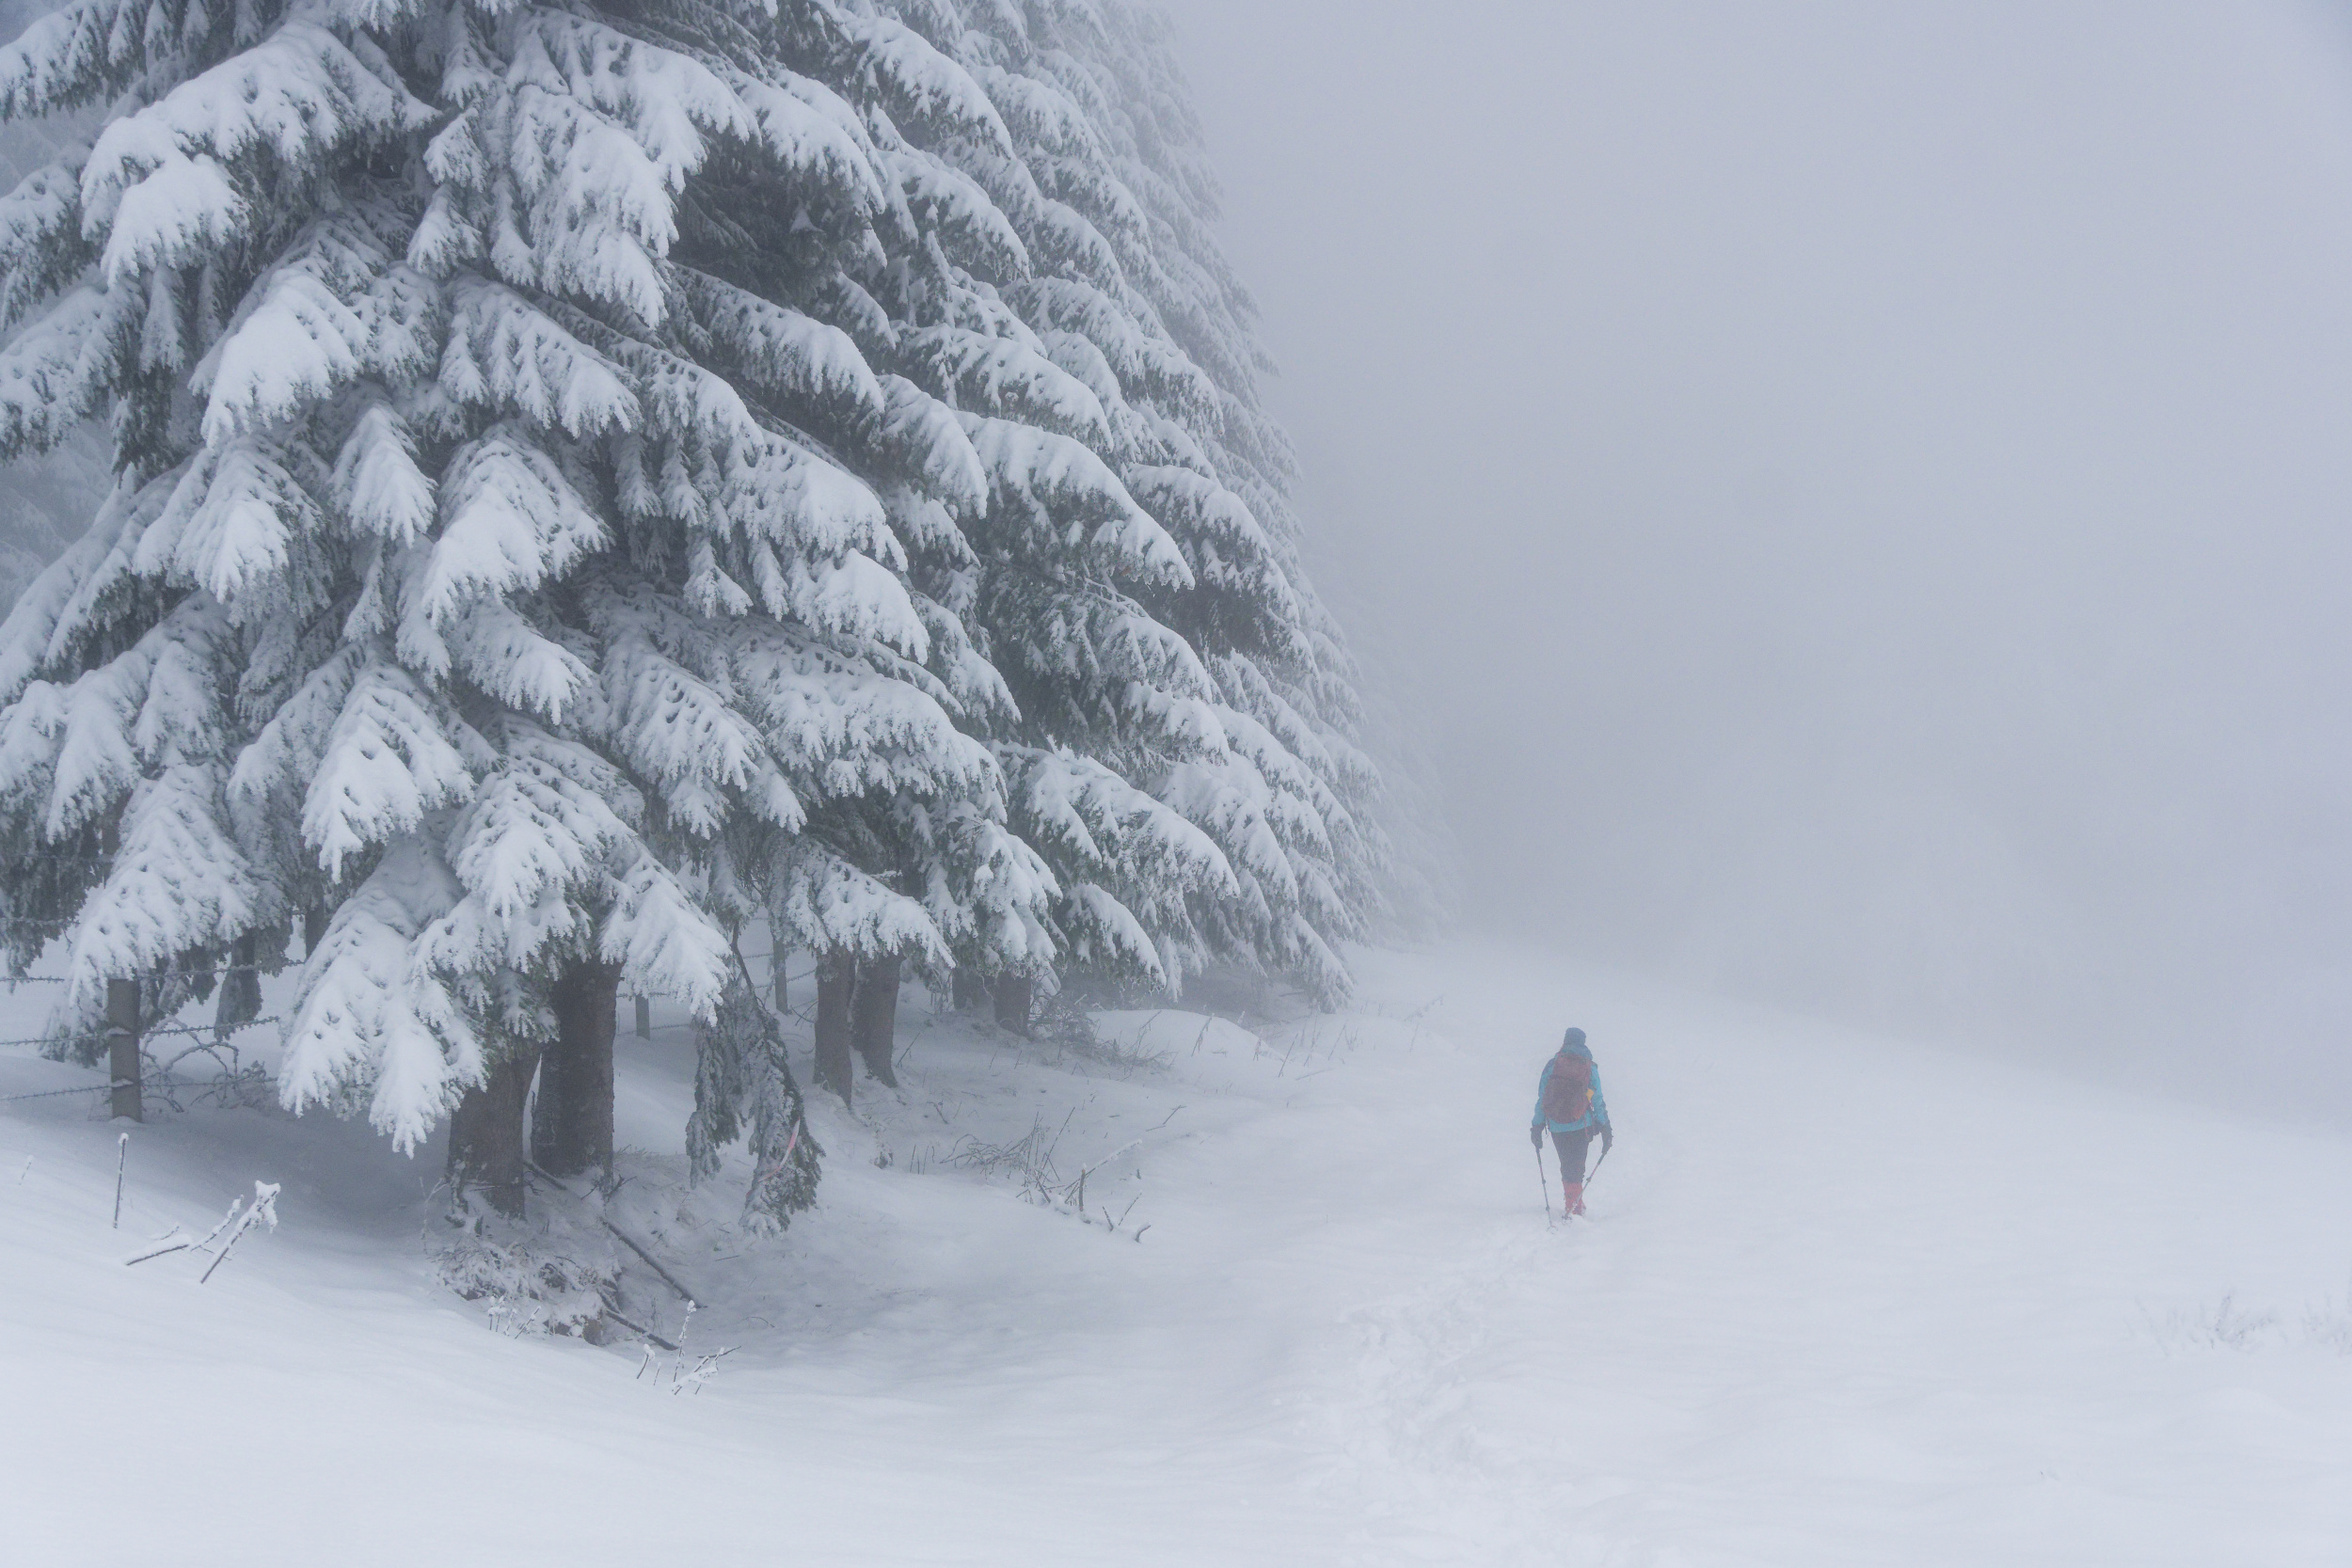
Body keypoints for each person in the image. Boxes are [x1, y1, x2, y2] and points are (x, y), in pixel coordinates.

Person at [1529, 1027, 1613, 1216]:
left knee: (1567, 1166)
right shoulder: (1589, 1067)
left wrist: (1537, 1126)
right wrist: (1605, 1126)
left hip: (1557, 1125)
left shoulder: (1553, 1065)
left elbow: (1542, 1098)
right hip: (1581, 1124)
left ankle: (1574, 1203)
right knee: (1576, 1169)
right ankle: (1574, 1209)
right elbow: (1597, 1099)